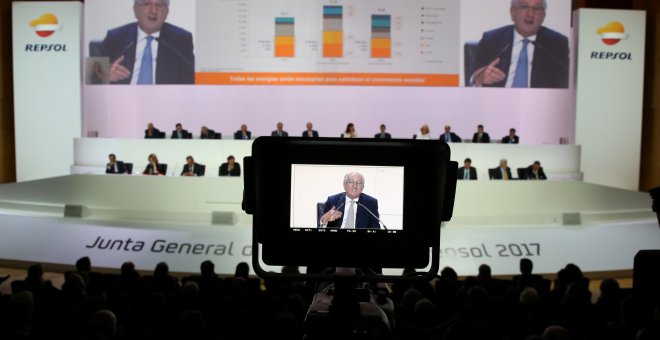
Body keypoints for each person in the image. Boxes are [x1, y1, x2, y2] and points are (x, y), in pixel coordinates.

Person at [470, 0, 569, 89]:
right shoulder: (491, 40)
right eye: (524, 6)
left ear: (543, 16)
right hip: (497, 104)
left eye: (536, 8)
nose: (530, 14)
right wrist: (478, 78)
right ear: (512, 12)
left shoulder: (557, 44)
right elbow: (471, 81)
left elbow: (565, 86)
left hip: (539, 105)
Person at [102, 0, 195, 85]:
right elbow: (92, 75)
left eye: (159, 5)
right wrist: (105, 75)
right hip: (123, 99)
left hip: (165, 100)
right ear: (135, 10)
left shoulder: (181, 40)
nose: (153, 11)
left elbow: (190, 80)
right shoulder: (115, 37)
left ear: (166, 12)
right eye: (147, 4)